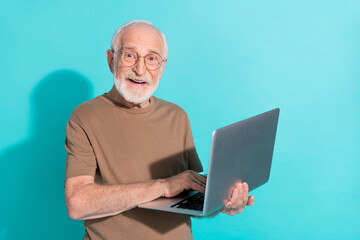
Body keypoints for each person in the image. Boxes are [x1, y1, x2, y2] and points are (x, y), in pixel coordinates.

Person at [64, 20, 255, 240]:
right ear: (111, 60)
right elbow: (77, 203)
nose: (140, 69)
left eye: (151, 58)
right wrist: (163, 186)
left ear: (162, 68)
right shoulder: (85, 117)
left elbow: (192, 198)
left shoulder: (177, 116)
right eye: (129, 55)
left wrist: (224, 204)